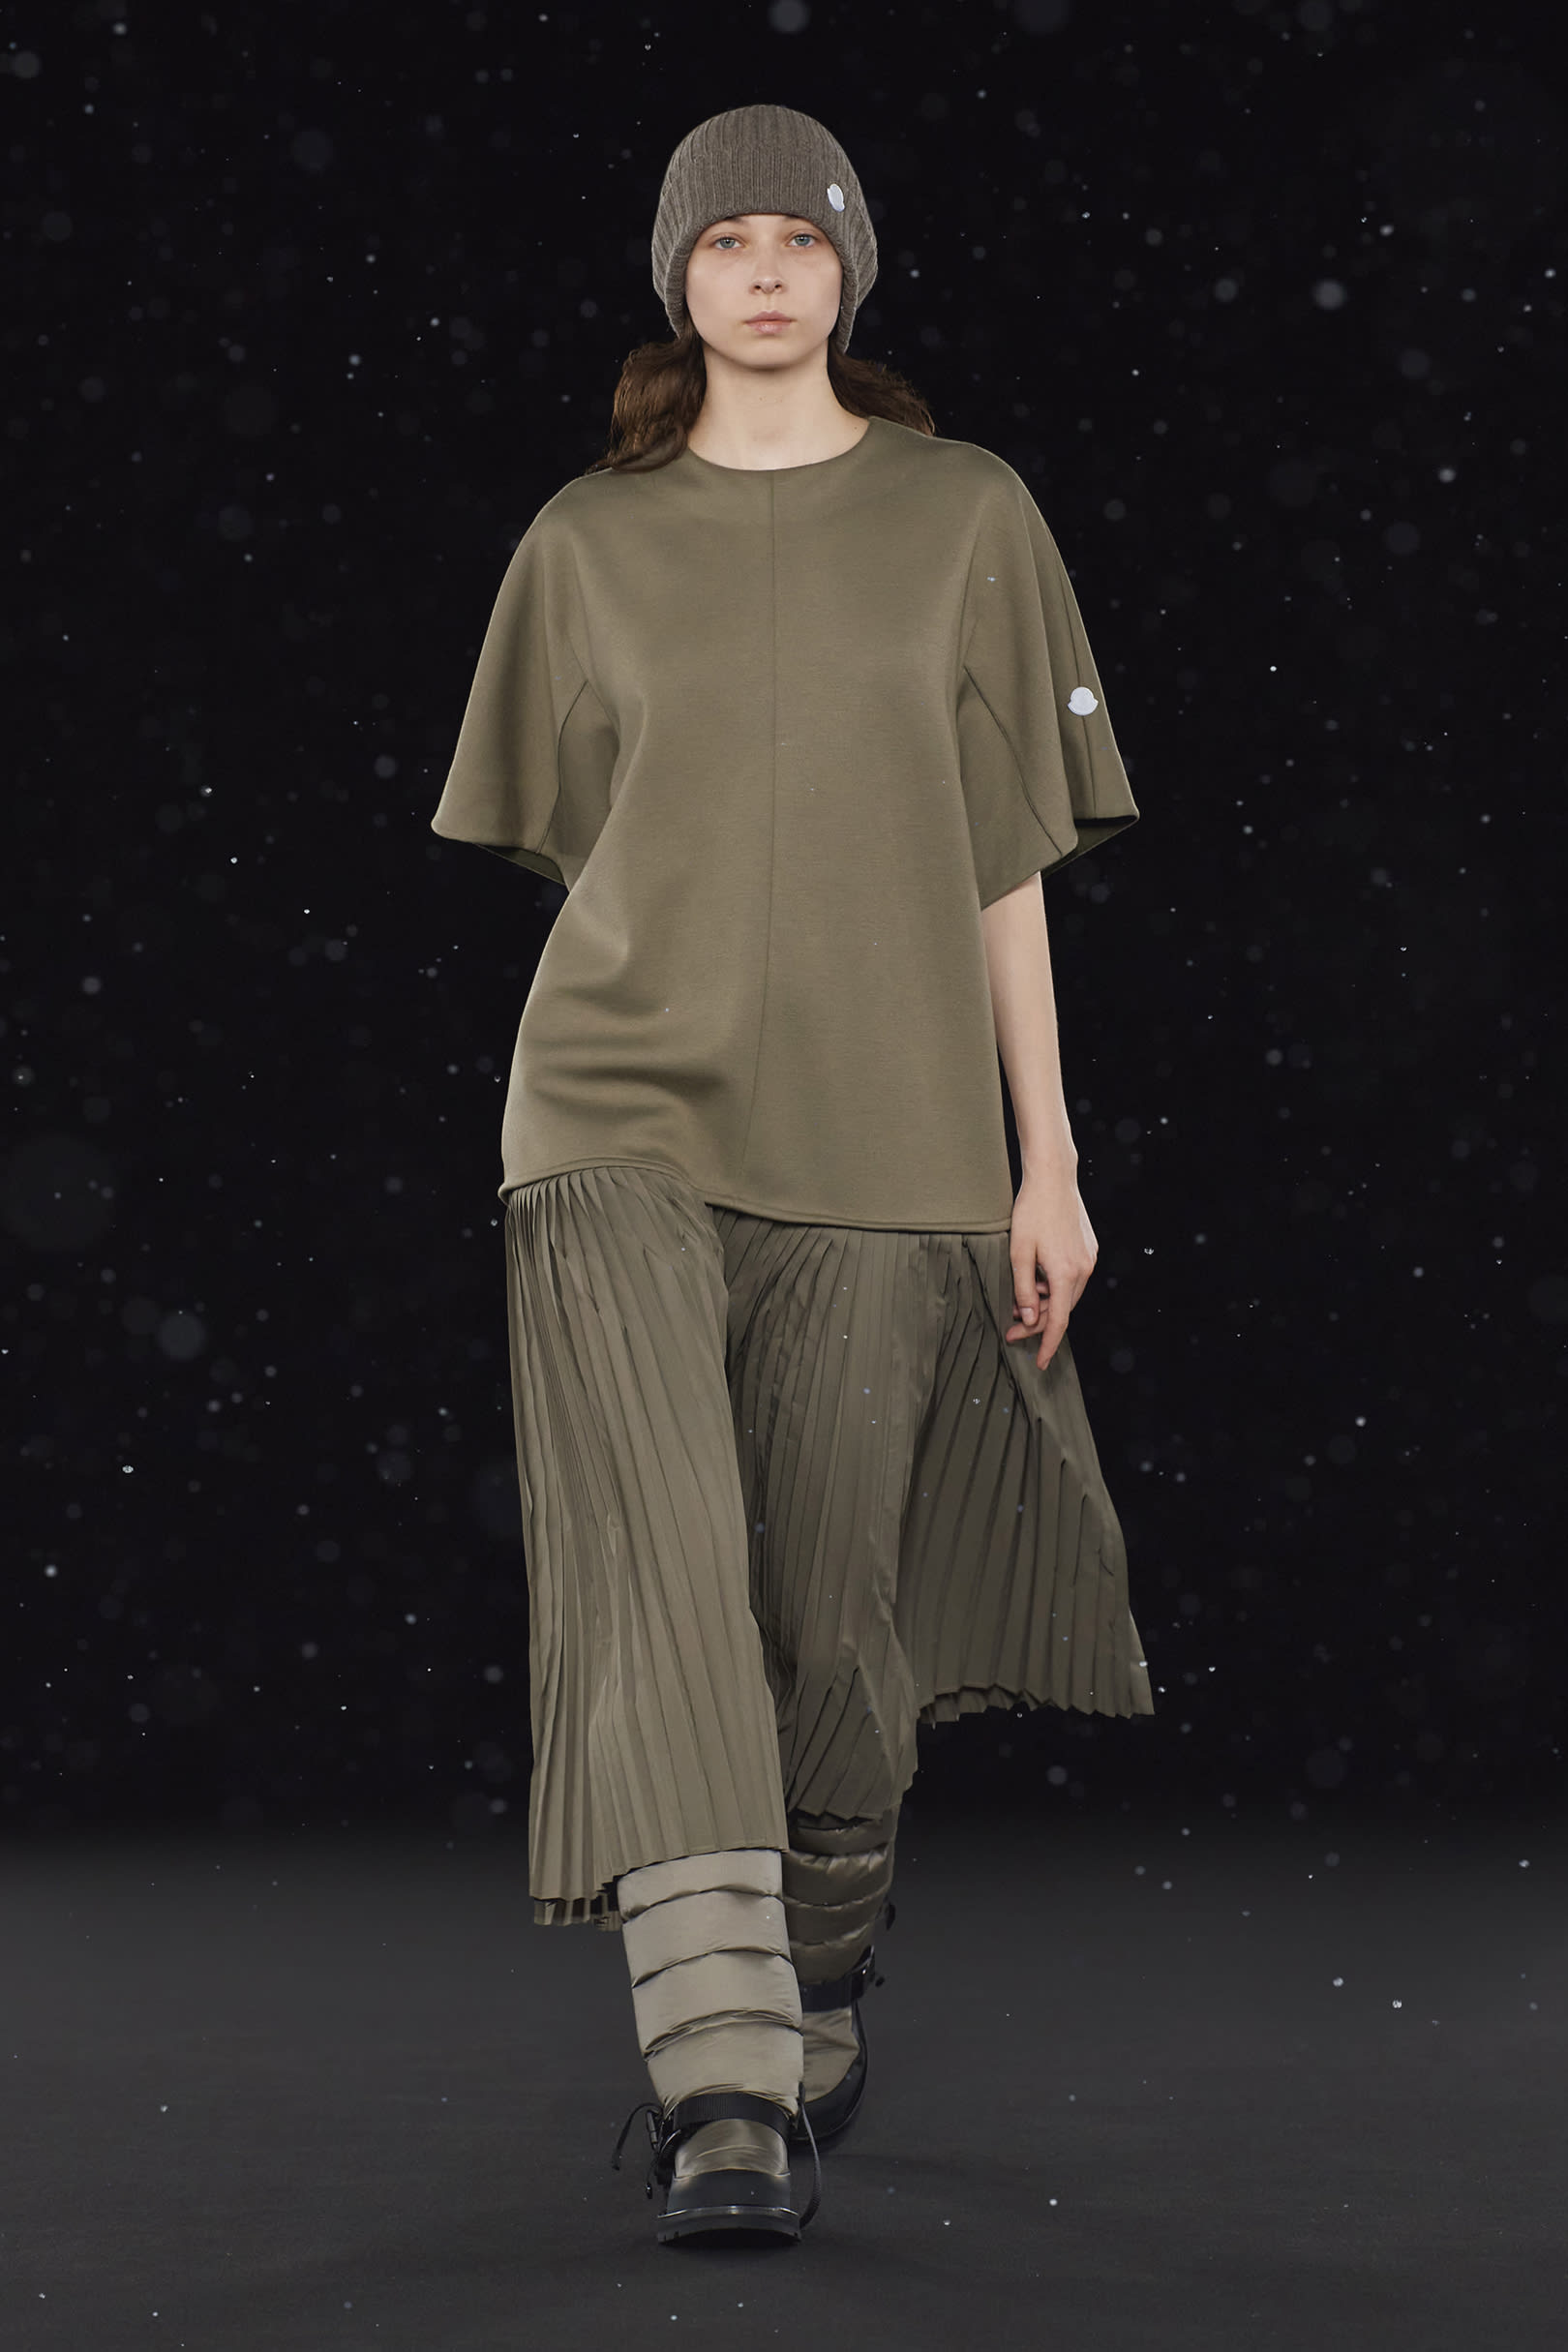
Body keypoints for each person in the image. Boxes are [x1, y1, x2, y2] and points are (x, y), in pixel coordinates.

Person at [431, 102, 1155, 2249]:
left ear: (851, 270)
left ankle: (819, 1967)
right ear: (679, 279)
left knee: (834, 1627)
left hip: (892, 1124)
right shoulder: (583, 541)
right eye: (727, 241)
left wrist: (1048, 1155)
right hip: (611, 1113)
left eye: (803, 239)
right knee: (659, 1574)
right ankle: (728, 2088)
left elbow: (1003, 857)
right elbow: (597, 841)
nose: (766, 273)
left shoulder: (968, 515)